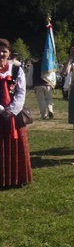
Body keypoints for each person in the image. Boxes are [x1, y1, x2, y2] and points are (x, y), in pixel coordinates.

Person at [0, 39, 32, 188]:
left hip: (15, 113)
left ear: (9, 53)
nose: (1, 54)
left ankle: (17, 178)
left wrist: (11, 111)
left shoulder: (17, 69)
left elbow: (21, 92)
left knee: (16, 143)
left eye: (4, 51)